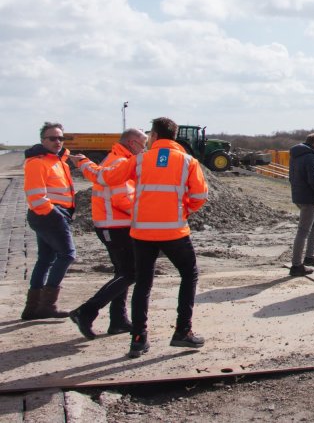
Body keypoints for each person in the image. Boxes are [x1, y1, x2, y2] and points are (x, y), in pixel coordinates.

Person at [73, 116, 208, 358]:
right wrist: (182, 209)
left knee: (143, 283)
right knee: (189, 275)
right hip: (174, 231)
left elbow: (104, 178)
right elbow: (199, 195)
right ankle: (182, 332)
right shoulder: (189, 162)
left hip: (142, 232)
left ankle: (138, 339)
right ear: (174, 136)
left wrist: (83, 163)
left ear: (155, 136)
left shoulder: (139, 160)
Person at [68, 128, 148, 338]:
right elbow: (123, 199)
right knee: (131, 273)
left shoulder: (118, 158)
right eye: (143, 144)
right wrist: (146, 215)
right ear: (132, 143)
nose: (145, 149)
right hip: (114, 225)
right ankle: (86, 311)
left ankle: (118, 320)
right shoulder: (120, 162)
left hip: (113, 224)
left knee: (122, 273)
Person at [21, 122, 77, 321]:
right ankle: (47, 305)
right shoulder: (38, 162)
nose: (58, 142)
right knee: (68, 254)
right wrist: (55, 214)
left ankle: (32, 308)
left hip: (50, 214)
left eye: (61, 138)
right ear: (42, 140)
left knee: (45, 260)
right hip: (49, 215)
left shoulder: (56, 160)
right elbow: (36, 196)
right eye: (52, 138)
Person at [288, 132, 314, 277]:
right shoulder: (310, 156)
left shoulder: (296, 155)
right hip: (309, 198)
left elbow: (291, 176)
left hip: (299, 195)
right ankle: (296, 265)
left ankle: (309, 256)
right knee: (303, 231)